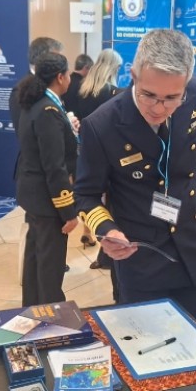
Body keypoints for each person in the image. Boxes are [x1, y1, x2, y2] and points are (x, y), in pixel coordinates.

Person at [74, 29, 196, 323]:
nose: (159, 109)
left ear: (186, 83)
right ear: (133, 75)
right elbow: (86, 194)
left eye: (172, 98)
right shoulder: (102, 125)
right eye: (149, 95)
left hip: (194, 248)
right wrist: (107, 230)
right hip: (141, 257)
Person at [15, 52, 79, 306]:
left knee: (36, 259)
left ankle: (33, 309)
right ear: (60, 77)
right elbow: (54, 167)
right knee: (50, 266)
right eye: (68, 74)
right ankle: (52, 316)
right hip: (47, 199)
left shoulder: (36, 103)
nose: (70, 79)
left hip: (33, 193)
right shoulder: (48, 110)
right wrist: (68, 211)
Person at [75, 48, 123, 293]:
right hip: (108, 153)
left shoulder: (83, 89)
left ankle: (89, 231)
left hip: (83, 148)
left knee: (89, 196)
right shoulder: (111, 93)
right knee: (107, 200)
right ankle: (105, 252)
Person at [10, 37, 63, 130]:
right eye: (55, 59)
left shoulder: (52, 83)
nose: (59, 64)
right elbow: (23, 131)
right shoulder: (20, 90)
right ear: (42, 59)